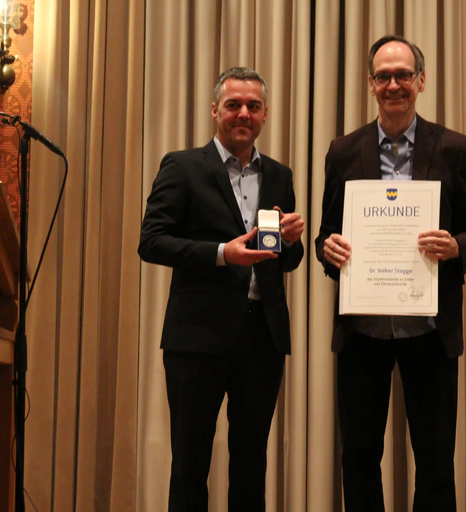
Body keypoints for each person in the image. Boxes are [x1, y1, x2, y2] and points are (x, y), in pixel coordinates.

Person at [315, 35, 466, 511]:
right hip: (362, 332)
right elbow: (327, 234)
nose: (394, 85)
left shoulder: (454, 148)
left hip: (429, 331)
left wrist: (455, 246)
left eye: (403, 75)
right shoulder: (343, 151)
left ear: (421, 81)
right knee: (358, 462)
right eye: (384, 76)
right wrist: (328, 249)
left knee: (435, 465)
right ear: (370, 84)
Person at [139, 66, 305, 512]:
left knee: (251, 465)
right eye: (233, 105)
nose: (243, 113)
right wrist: (220, 253)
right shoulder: (183, 166)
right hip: (197, 339)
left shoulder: (280, 175)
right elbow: (151, 241)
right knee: (190, 464)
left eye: (253, 106)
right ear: (215, 110)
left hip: (262, 337)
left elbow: (283, 261)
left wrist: (292, 243)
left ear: (265, 114)